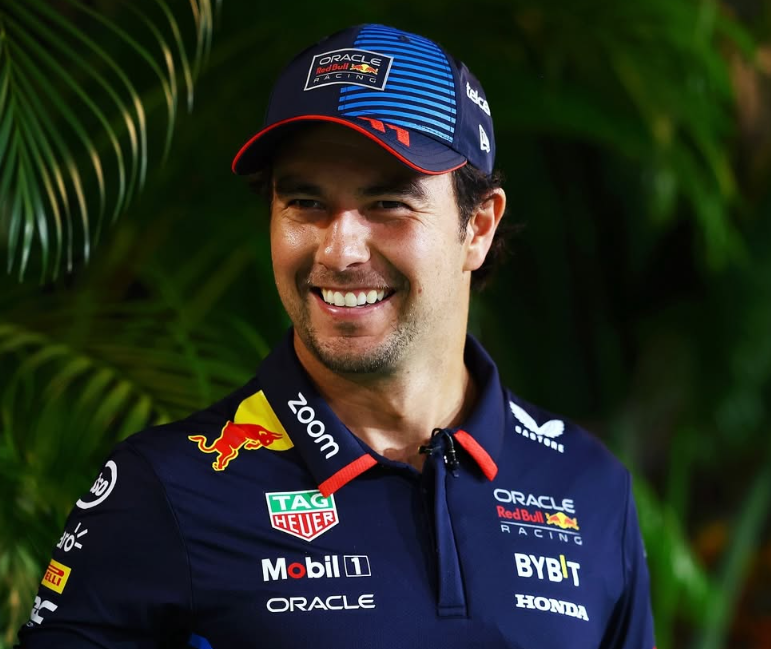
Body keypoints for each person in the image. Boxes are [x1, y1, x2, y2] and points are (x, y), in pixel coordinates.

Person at [16, 23, 655, 649]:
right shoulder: (164, 490)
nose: (340, 250)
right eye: (306, 203)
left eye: (388, 204)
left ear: (478, 228)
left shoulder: (588, 487)